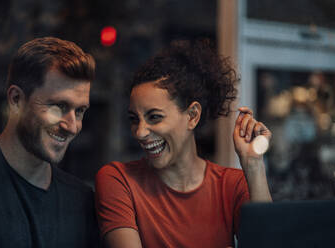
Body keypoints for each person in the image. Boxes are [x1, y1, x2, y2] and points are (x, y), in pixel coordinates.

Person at [95, 39, 272, 248]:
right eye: (134, 119)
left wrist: (253, 165)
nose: (140, 132)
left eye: (154, 117)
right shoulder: (118, 180)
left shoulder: (231, 185)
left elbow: (268, 243)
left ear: (192, 116)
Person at [0, 37, 99, 247]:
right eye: (59, 106)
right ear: (16, 100)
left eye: (80, 111)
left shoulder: (82, 201)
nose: (72, 126)